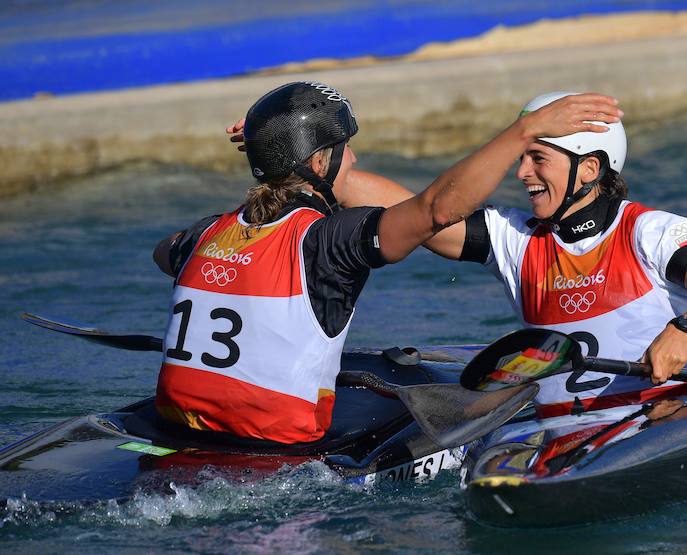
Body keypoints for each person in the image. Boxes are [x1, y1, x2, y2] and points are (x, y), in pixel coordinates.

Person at [228, 90, 687, 418]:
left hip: (666, 413)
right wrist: (292, 155)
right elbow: (416, 210)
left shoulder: (650, 232)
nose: (522, 172)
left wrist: (683, 331)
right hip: (563, 427)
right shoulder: (515, 239)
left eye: (538, 159)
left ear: (591, 168)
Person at [152, 82, 622, 443]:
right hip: (275, 465)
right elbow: (437, 209)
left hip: (181, 435)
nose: (353, 159)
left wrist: (272, 149)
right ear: (319, 164)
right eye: (344, 150)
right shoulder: (329, 242)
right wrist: (524, 130)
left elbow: (164, 253)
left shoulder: (202, 236)